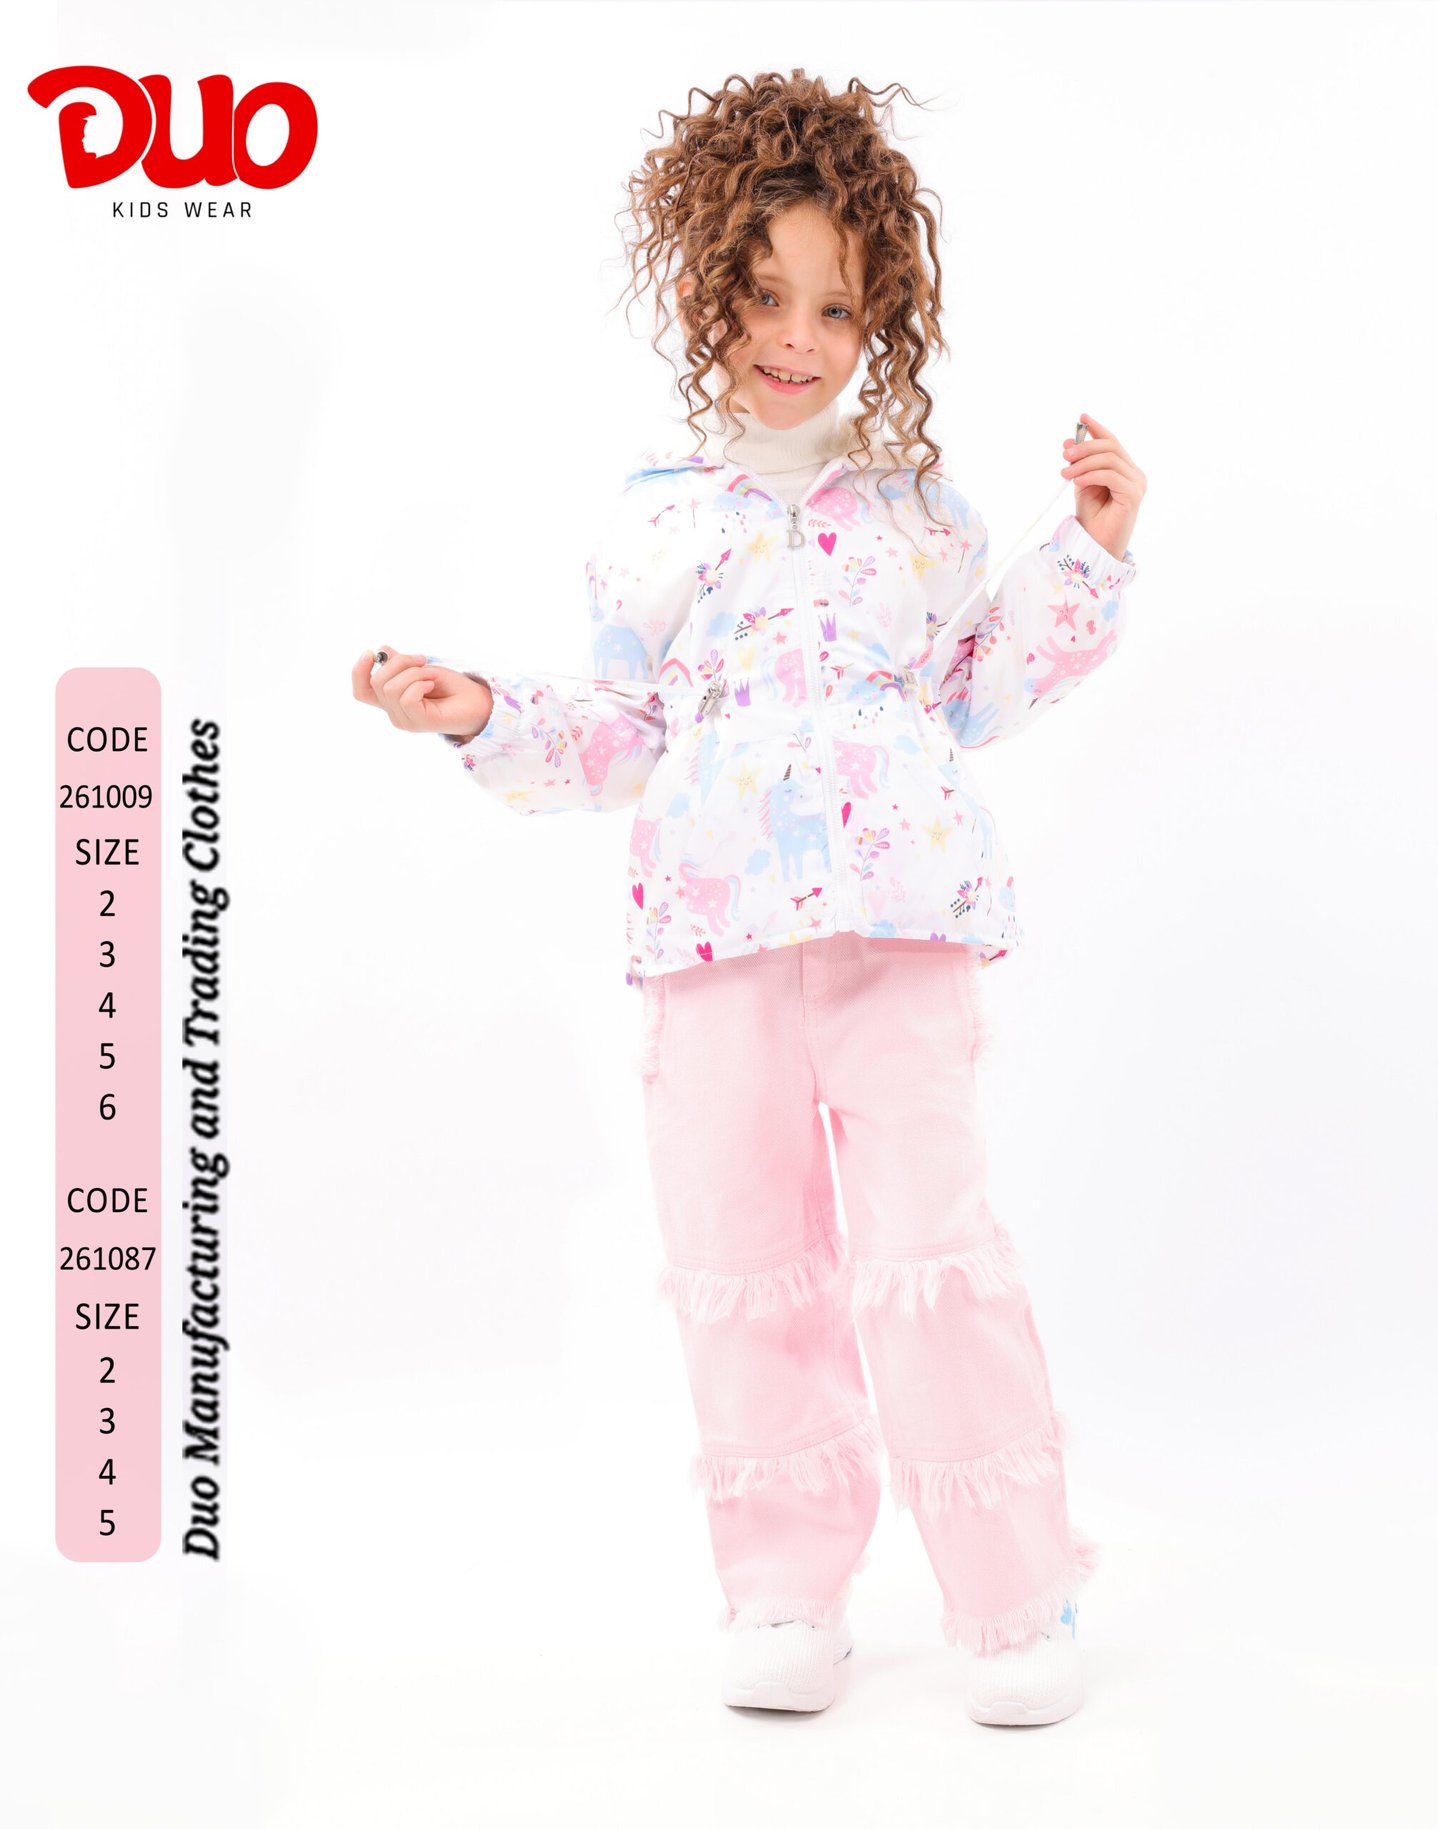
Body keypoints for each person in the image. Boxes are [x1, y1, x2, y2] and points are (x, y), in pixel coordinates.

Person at [352, 69, 1145, 1728]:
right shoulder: (654, 526)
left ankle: (1016, 1591)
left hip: (899, 931)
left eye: (837, 307)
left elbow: (977, 690)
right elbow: (624, 733)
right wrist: (480, 710)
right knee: (744, 1260)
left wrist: (1084, 551)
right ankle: (785, 1588)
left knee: (931, 1257)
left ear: (882, 317)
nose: (798, 337)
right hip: (711, 948)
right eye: (767, 294)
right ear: (709, 284)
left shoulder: (923, 518)